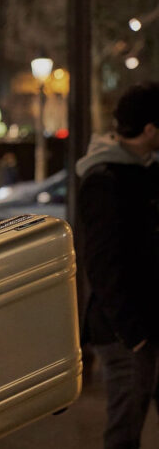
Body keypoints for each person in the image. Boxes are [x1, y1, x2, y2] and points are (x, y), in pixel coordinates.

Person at [76, 81, 159, 449]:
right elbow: (102, 265)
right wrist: (133, 335)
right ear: (150, 130)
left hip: (145, 323)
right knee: (124, 431)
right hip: (125, 332)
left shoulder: (144, 169)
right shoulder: (105, 180)